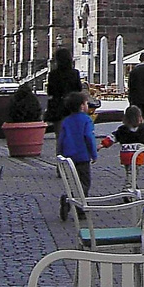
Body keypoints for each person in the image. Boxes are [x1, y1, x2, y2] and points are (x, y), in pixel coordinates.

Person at [57, 91, 98, 221]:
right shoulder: (86, 120)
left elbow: (61, 139)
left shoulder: (66, 121)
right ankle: (78, 207)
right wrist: (94, 154)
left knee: (73, 180)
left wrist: (60, 154)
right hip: (83, 156)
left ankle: (70, 198)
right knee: (85, 183)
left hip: (69, 156)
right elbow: (89, 137)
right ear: (81, 106)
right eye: (86, 103)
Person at [45, 48, 83, 138]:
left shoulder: (53, 74)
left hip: (58, 107)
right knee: (73, 135)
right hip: (73, 106)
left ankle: (60, 152)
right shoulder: (75, 73)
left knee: (60, 136)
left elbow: (50, 91)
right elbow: (79, 88)